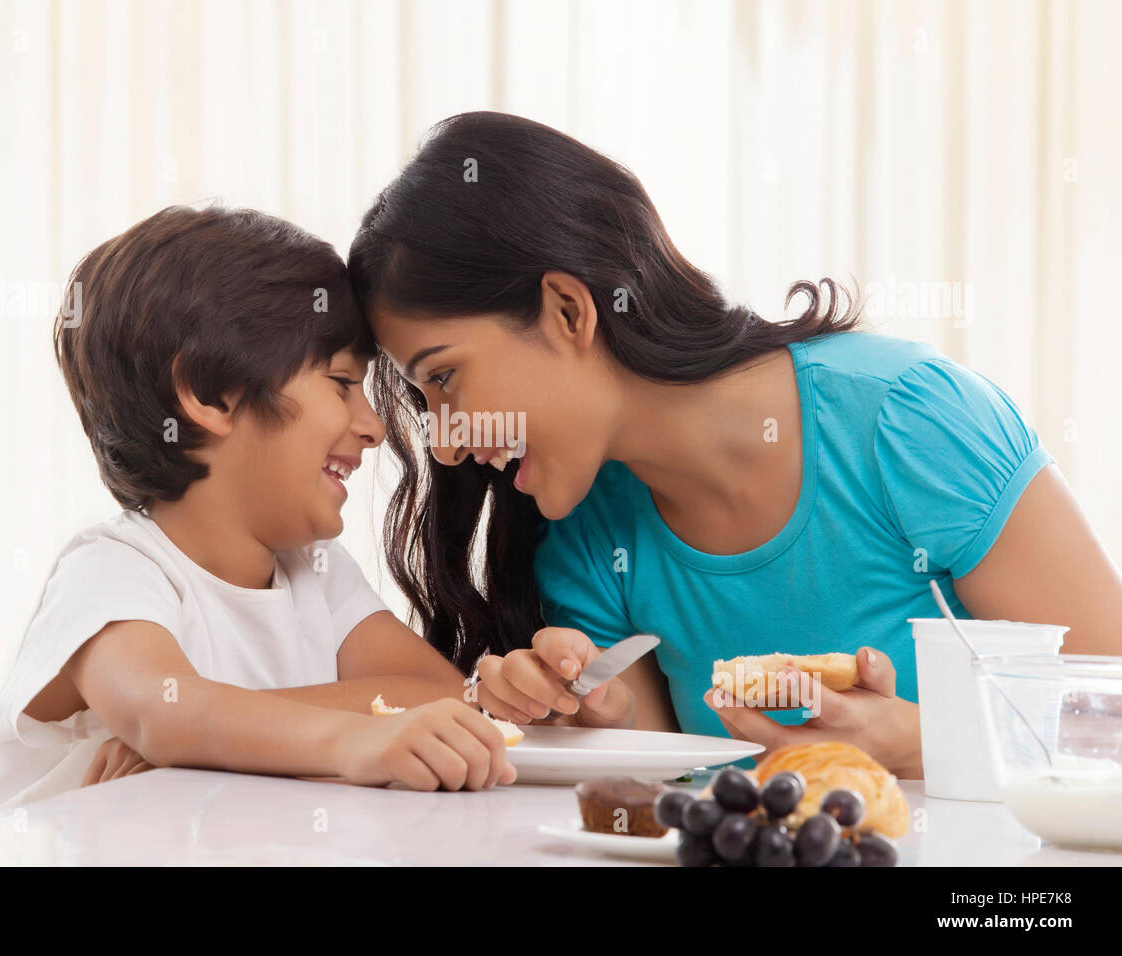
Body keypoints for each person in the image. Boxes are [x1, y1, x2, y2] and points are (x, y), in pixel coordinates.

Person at [347, 111, 1122, 777]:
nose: (443, 446)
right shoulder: (587, 536)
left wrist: (919, 746)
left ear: (568, 311)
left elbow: (1112, 718)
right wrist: (577, 719)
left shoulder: (907, 424)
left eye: (443, 377)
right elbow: (665, 785)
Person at [0, 204, 514, 819]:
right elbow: (163, 711)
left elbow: (440, 695)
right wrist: (354, 735)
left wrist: (212, 741)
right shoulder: (114, 570)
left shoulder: (316, 570)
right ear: (211, 395)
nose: (375, 427)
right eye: (340, 383)